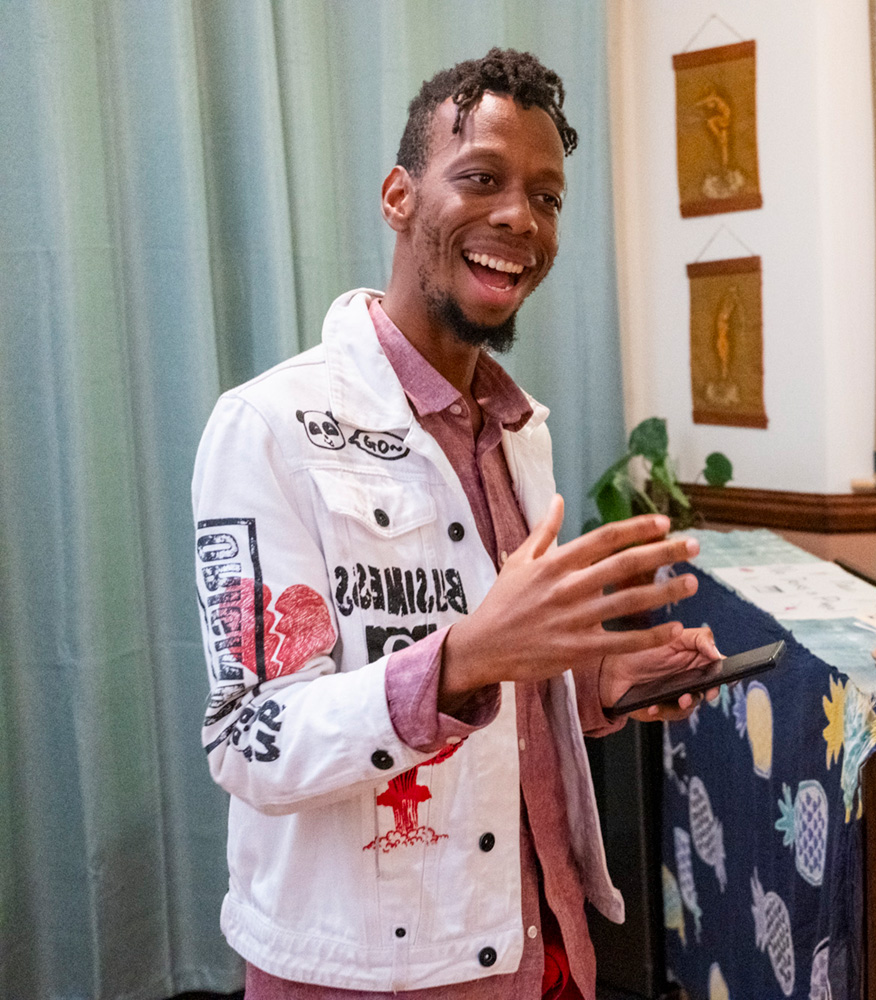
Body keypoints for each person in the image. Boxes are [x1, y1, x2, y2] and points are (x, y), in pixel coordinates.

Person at [191, 49, 719, 998]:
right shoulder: (269, 427)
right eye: (481, 179)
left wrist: (600, 683)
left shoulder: (520, 435)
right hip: (368, 971)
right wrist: (463, 659)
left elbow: (510, 686)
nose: (521, 218)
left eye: (547, 197)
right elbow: (250, 736)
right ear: (399, 197)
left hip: (543, 943)